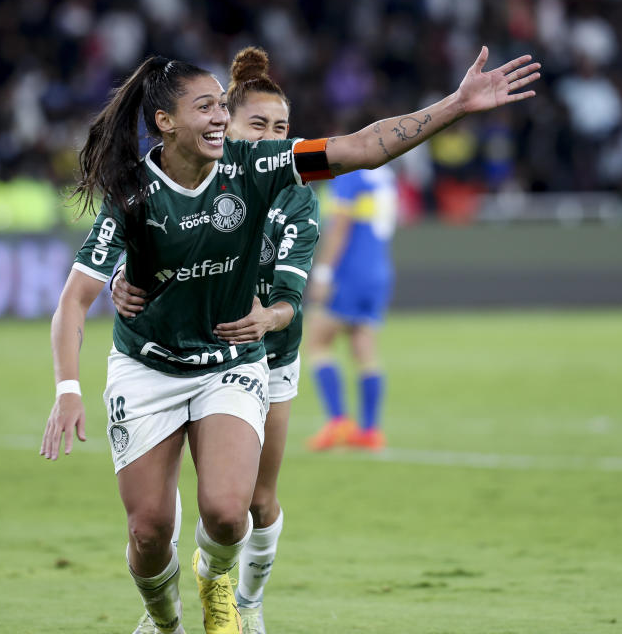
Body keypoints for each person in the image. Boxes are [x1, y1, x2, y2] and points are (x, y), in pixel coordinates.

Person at [40, 47, 540, 634]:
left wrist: (456, 105)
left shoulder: (255, 165)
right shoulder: (132, 194)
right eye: (204, 109)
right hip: (147, 366)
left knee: (229, 514)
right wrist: (68, 388)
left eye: (220, 109)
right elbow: (75, 298)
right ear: (165, 122)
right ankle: (165, 621)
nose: (219, 120)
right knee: (148, 531)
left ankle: (218, 583)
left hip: (229, 361)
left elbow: (361, 146)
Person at [110, 47, 320, 634]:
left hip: (267, 352)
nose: (271, 137)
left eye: (282, 128)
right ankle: (185, 601)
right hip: (183, 354)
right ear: (225, 121)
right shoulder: (200, 177)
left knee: (253, 501)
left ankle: (245, 599)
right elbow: (146, 248)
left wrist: (268, 319)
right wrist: (125, 282)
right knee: (167, 517)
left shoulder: (296, 193)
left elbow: (289, 298)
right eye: (259, 125)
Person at [305, 160, 398, 452]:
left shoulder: (351, 175)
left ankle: (338, 421)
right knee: (364, 348)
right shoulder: (384, 175)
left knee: (317, 342)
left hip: (349, 270)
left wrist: (323, 273)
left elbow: (339, 228)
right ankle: (370, 430)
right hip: (378, 269)